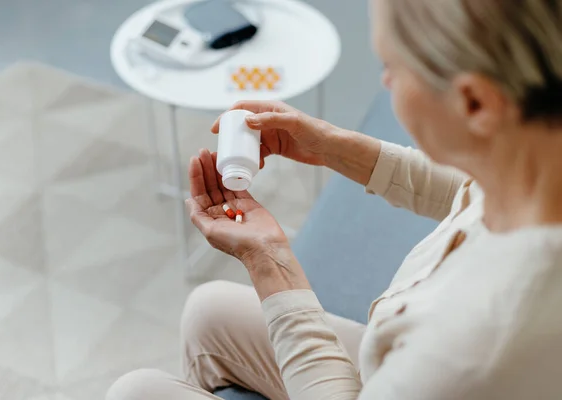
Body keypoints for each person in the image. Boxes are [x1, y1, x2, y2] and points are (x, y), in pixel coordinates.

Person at [107, 0, 562, 399]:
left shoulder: (478, 350)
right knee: (209, 310)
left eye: (394, 67)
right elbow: (470, 189)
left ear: (475, 103)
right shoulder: (538, 161)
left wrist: (271, 263)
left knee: (135, 392)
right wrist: (332, 146)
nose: (385, 81)